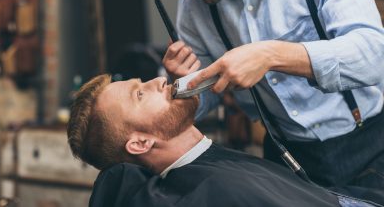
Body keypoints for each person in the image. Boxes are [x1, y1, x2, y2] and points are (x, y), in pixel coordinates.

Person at [128, 0, 384, 199]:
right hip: (285, 156)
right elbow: (206, 97)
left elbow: (373, 57)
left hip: (369, 147)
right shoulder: (193, 8)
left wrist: (271, 55)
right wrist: (184, 85)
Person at [67, 74, 380, 207]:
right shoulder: (204, 194)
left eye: (142, 81)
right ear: (139, 144)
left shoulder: (210, 166)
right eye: (140, 93)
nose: (159, 80)